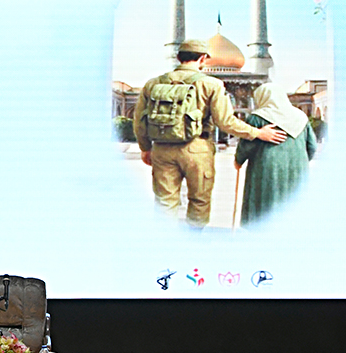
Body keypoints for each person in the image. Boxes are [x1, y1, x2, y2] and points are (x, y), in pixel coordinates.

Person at [132, 39, 287, 228]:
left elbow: (139, 121)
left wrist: (145, 148)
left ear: (178, 57)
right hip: (197, 150)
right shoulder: (211, 84)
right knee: (199, 201)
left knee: (164, 202)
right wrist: (258, 133)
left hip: (162, 149)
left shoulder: (153, 84)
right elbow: (226, 122)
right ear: (203, 58)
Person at [234, 83, 318, 224]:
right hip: (297, 170)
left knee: (264, 208)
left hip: (266, 171)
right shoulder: (301, 117)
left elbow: (246, 146)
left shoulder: (257, 118)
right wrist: (300, 161)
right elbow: (312, 146)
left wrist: (238, 160)